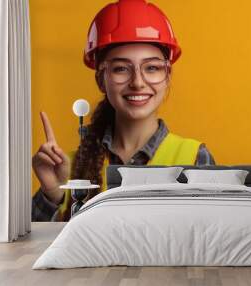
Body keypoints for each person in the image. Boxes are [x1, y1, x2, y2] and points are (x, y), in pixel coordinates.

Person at [31, 0, 216, 222]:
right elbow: (33, 247)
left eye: (152, 68)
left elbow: (212, 239)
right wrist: (53, 195)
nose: (138, 82)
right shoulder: (66, 168)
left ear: (167, 77)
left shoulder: (196, 158)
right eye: (120, 68)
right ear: (101, 79)